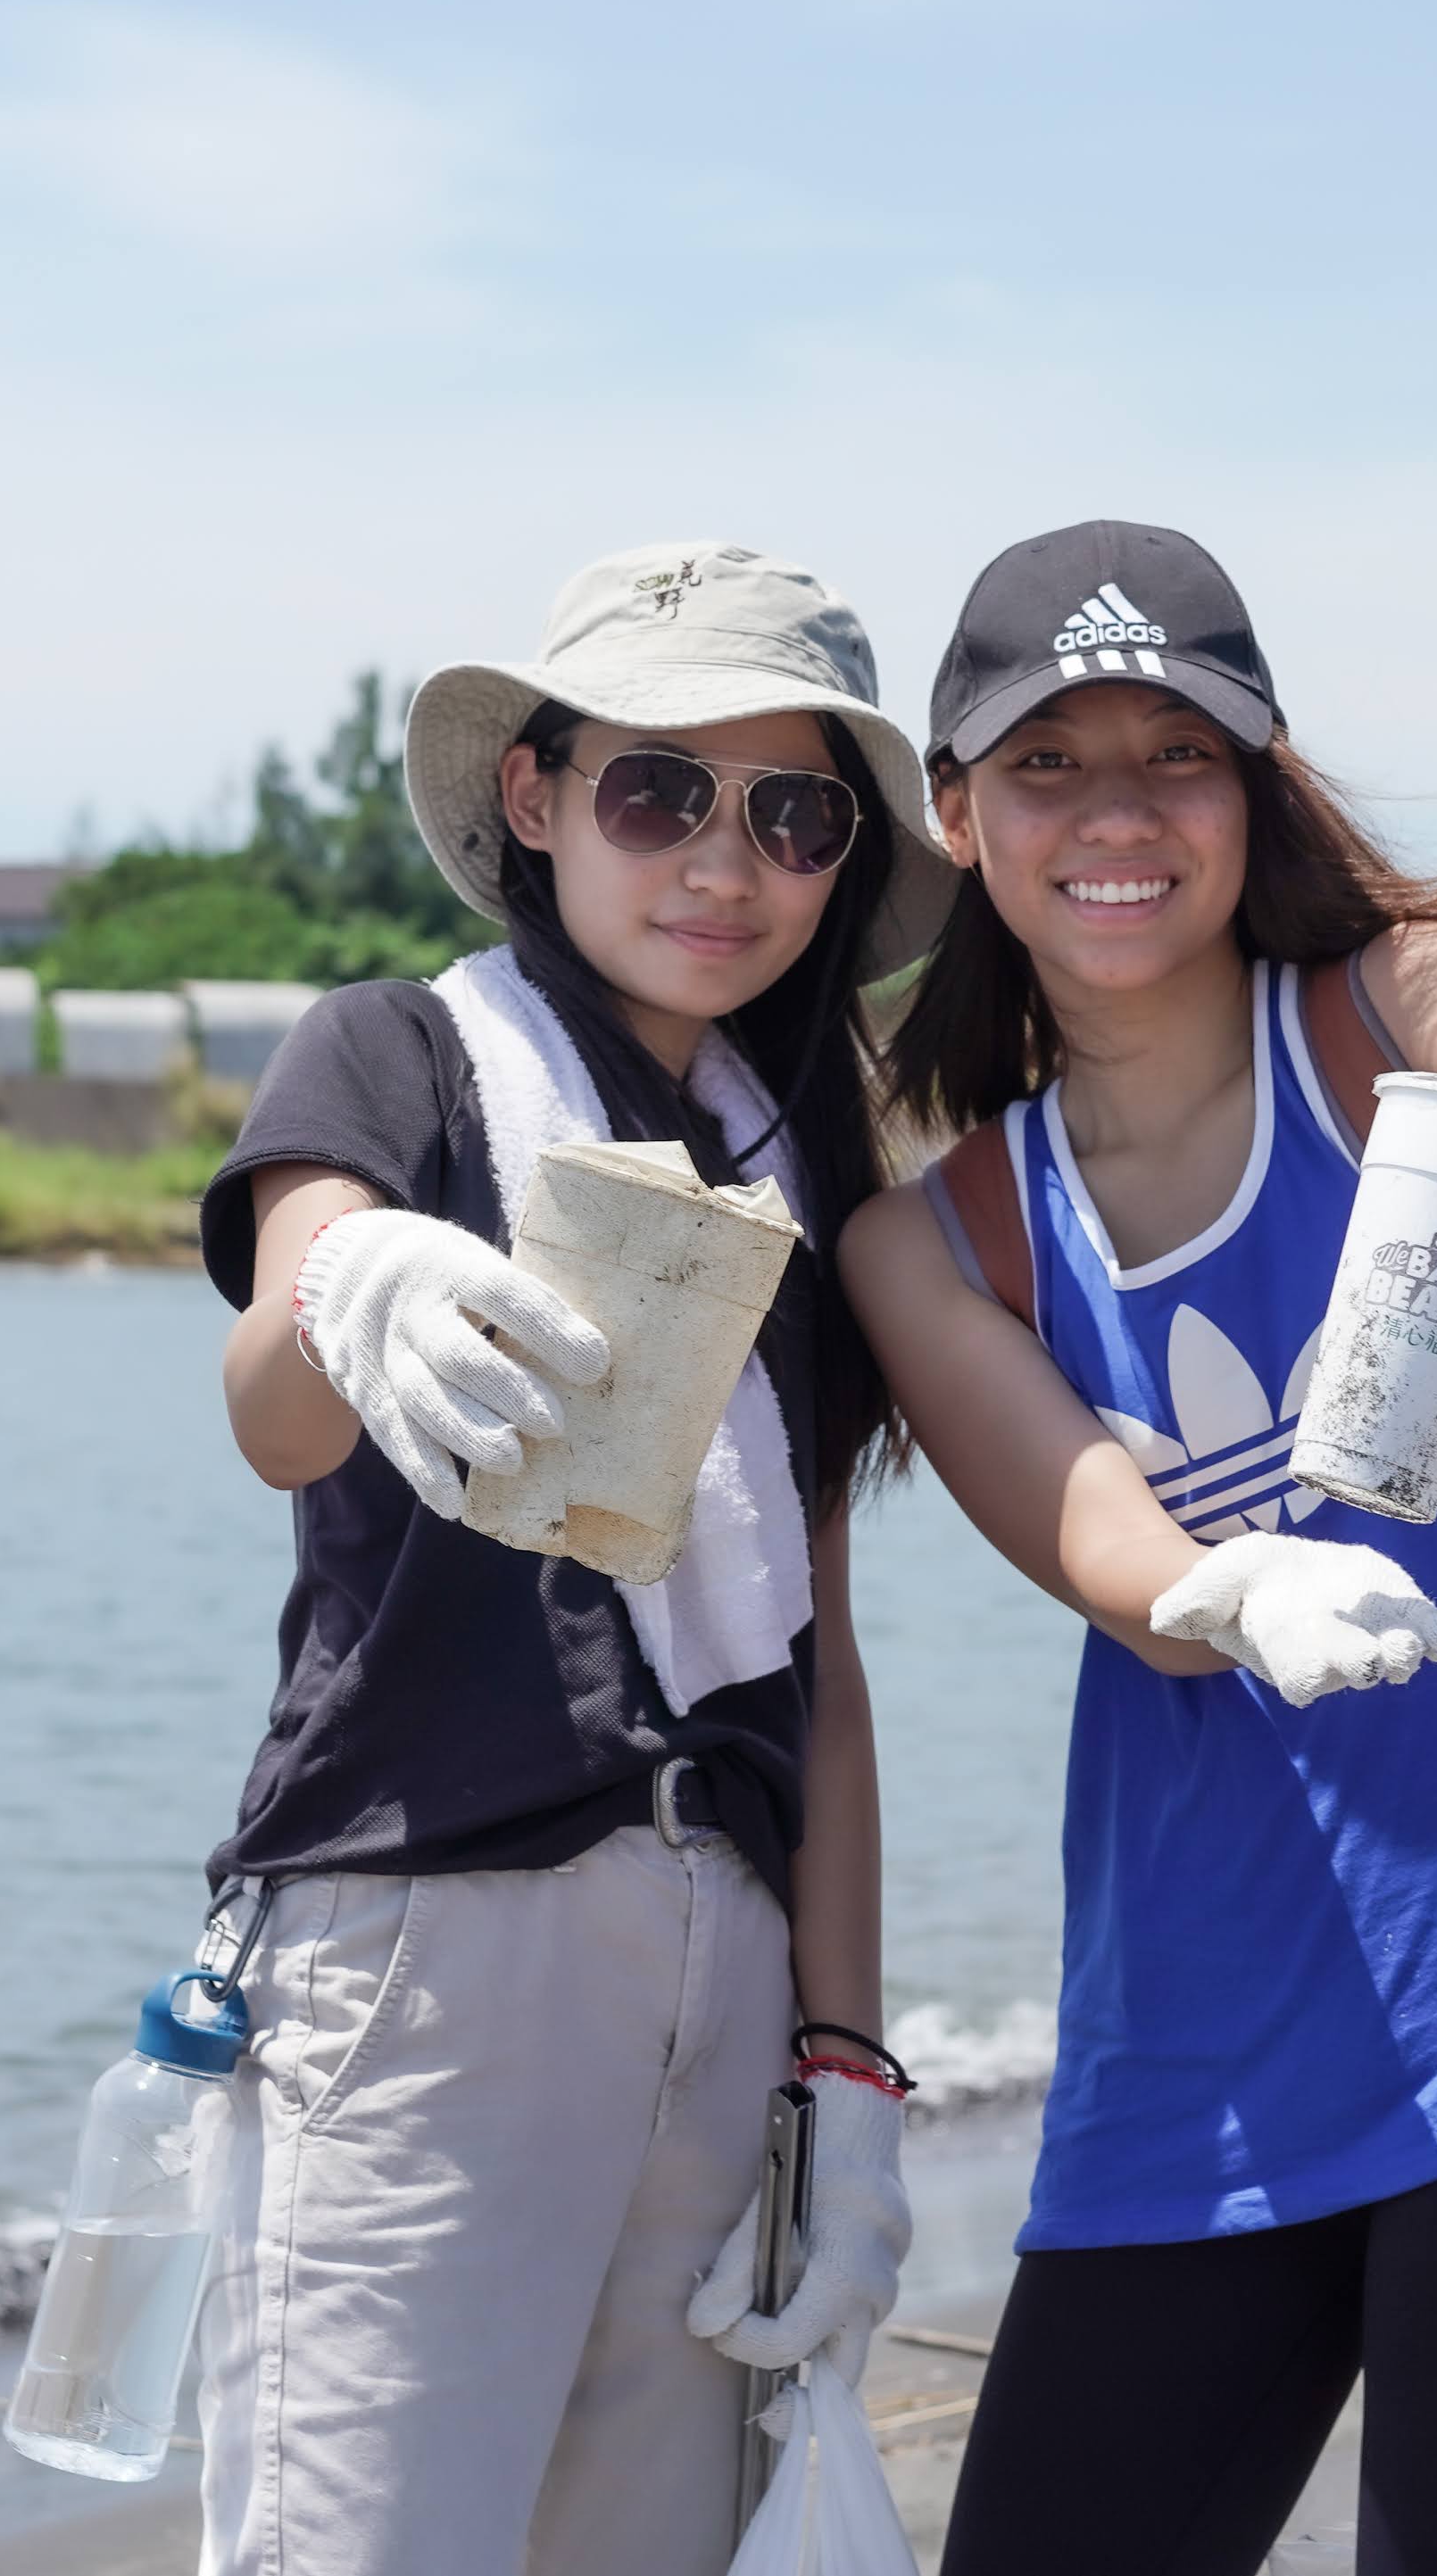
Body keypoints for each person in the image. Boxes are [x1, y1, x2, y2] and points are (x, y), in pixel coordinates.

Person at [843, 519, 1437, 2575]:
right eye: (1045, 767)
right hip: (1184, 2058)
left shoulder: (1402, 1014)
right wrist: (1232, 1582)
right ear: (956, 816)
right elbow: (1104, 1541)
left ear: (1254, 785)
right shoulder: (933, 1236)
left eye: (1172, 760)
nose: (1115, 818)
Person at [191, 542, 949, 2576]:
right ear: (533, 795)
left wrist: (847, 2061)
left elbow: (826, 1653)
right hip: (435, 1940)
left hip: (735, 1947)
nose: (725, 861)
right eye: (657, 790)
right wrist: (356, 1271)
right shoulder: (399, 1057)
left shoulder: (805, 1160)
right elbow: (271, 1402)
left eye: (794, 813)